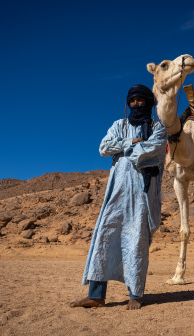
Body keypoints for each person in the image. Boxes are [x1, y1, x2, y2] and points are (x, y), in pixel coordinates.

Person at [70, 84, 167, 310]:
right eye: (132, 101)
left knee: (136, 243)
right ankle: (96, 295)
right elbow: (104, 147)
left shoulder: (157, 128)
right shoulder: (118, 125)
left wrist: (126, 149)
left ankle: (135, 294)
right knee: (104, 237)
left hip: (141, 195)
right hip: (116, 193)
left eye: (140, 101)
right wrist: (129, 143)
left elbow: (150, 153)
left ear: (149, 103)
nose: (135, 104)